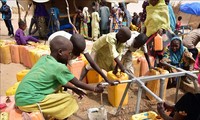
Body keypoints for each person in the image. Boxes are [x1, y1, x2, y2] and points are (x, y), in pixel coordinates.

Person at [15, 36, 104, 120]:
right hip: (28, 101)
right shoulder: (59, 67)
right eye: (69, 53)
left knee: (61, 92)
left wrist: (74, 89)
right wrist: (95, 89)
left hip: (20, 97)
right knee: (69, 100)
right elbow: (77, 82)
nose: (70, 56)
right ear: (60, 52)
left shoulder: (45, 58)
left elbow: (60, 81)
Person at [48, 31, 117, 85]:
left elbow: (92, 62)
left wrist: (105, 77)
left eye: (80, 53)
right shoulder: (64, 44)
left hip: (67, 46)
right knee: (61, 64)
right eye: (76, 53)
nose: (77, 56)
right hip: (53, 40)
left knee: (67, 66)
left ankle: (65, 84)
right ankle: (58, 83)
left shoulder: (80, 44)